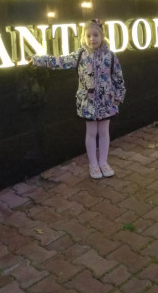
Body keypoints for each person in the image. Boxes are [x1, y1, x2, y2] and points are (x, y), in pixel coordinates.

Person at [30, 19, 126, 179]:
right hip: (88, 103)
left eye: (95, 35)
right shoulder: (80, 55)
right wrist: (38, 60)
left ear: (102, 36)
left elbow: (118, 77)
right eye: (88, 36)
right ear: (84, 37)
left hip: (106, 101)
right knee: (91, 132)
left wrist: (119, 96)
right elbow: (60, 61)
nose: (92, 39)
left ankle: (103, 162)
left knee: (104, 132)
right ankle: (93, 164)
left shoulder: (110, 56)